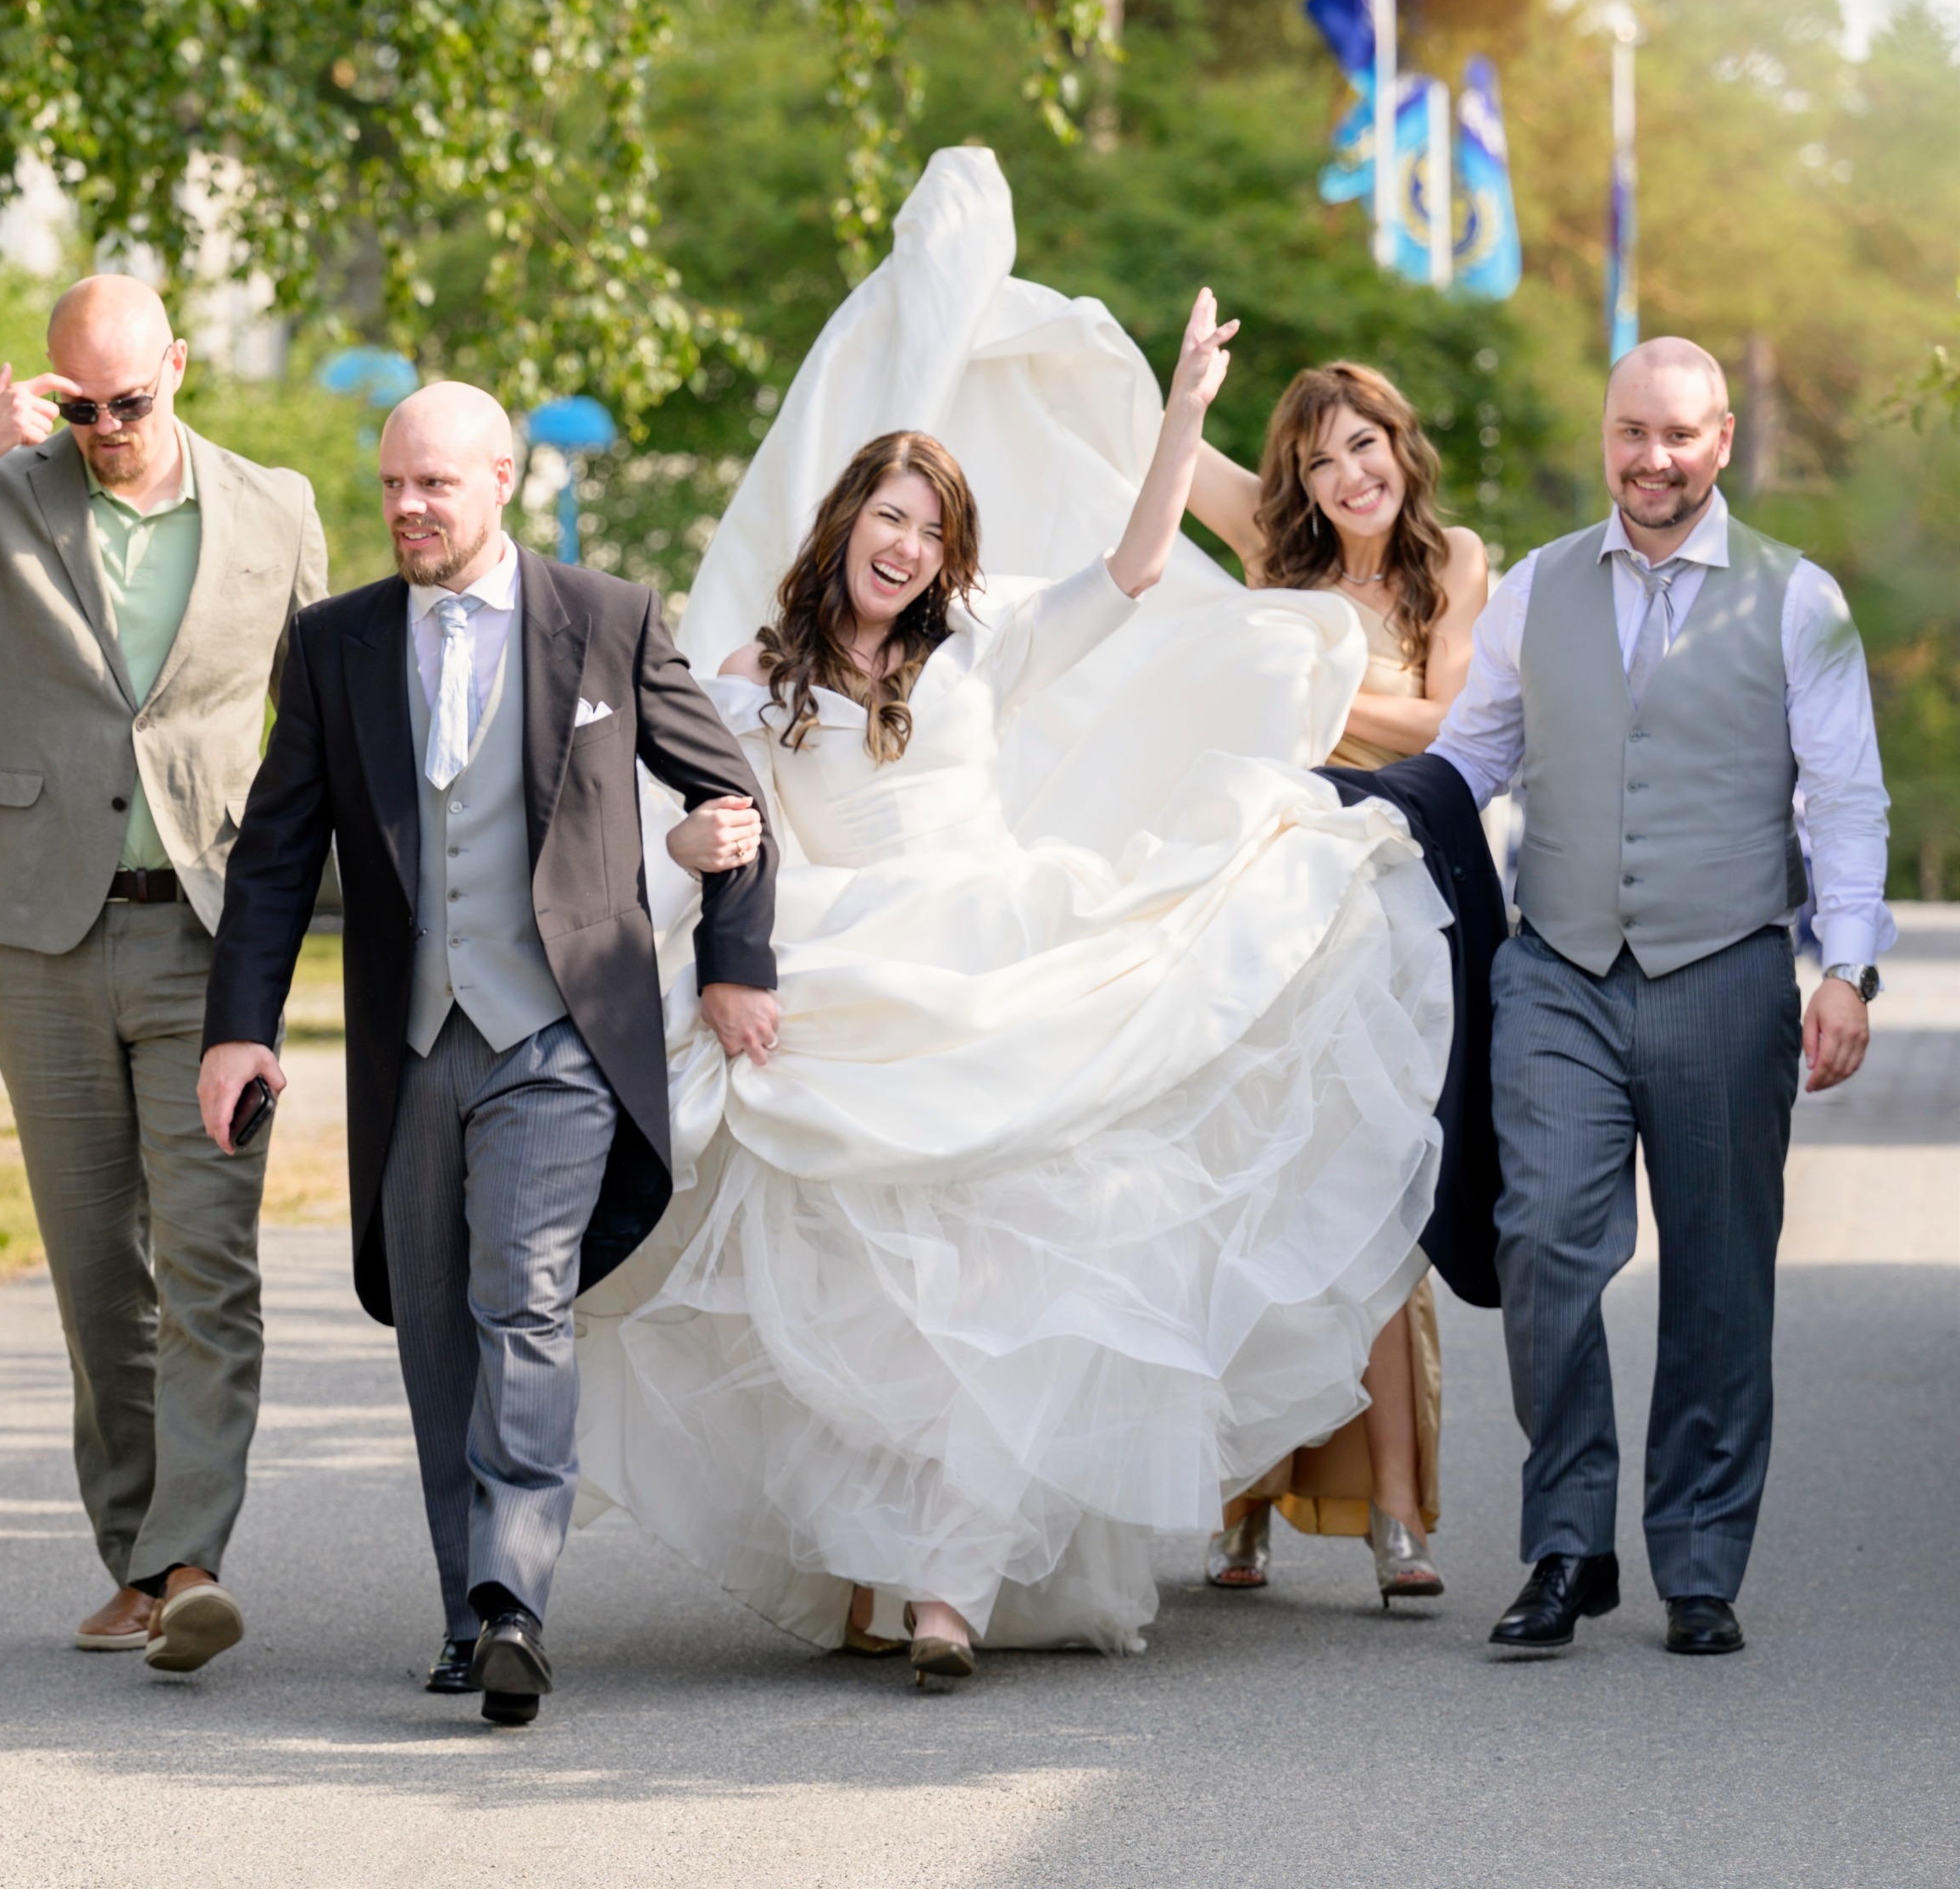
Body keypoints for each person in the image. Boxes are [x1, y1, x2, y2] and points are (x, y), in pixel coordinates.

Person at [568, 146, 1454, 1679]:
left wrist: (1180, 414)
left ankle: (949, 1595)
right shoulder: (751, 685)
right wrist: (717, 879)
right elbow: (680, 809)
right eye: (889, 518)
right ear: (849, 521)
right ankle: (880, 1558)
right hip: (849, 978)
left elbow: (1125, 571)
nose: (905, 547)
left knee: (1010, 1280)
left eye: (929, 527)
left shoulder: (981, 646)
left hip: (1004, 956)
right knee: (865, 1302)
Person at [197, 381, 780, 1730]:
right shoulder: (334, 645)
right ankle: (469, 1608)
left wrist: (739, 964)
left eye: (434, 486)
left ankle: (514, 1600)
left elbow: (728, 793)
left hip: (560, 1035)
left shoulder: (610, 618)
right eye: (393, 485)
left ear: (501, 480)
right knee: (437, 1325)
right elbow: (278, 856)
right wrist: (242, 1028)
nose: (406, 508)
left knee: (521, 1295)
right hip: (409, 1046)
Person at [0, 275, 327, 1672]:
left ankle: (190, 1562)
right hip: (39, 937)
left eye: (134, 401)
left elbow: (332, 712)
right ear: (53, 389)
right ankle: (131, 1553)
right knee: (95, 1265)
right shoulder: (4, 494)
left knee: (209, 1256)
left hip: (210, 939)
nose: (109, 427)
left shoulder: (276, 507)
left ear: (178, 366)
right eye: (82, 404)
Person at [1431, 336, 1891, 1658]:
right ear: (1606, 437)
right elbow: (1474, 758)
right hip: (1561, 969)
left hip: (1727, 973)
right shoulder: (1534, 589)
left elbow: (1847, 801)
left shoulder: (1802, 601)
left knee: (1719, 1278)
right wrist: (1357, 829)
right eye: (1633, 432)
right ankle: (1570, 1542)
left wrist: (1847, 968)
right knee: (1543, 1251)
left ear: (1725, 440)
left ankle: (1698, 1559)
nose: (1654, 459)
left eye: (1680, 434)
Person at [1185, 361, 1488, 1604]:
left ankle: (1397, 1516)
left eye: (1364, 445)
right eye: (1318, 460)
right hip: (1281, 887)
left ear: (1400, 447)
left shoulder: (1452, 563)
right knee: (1261, 1182)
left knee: (1378, 1191)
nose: (1347, 474)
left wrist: (1303, 680)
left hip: (1406, 891)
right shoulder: (1278, 554)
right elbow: (1139, 453)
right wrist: (1172, 380)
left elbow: (1456, 727)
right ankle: (1239, 1511)